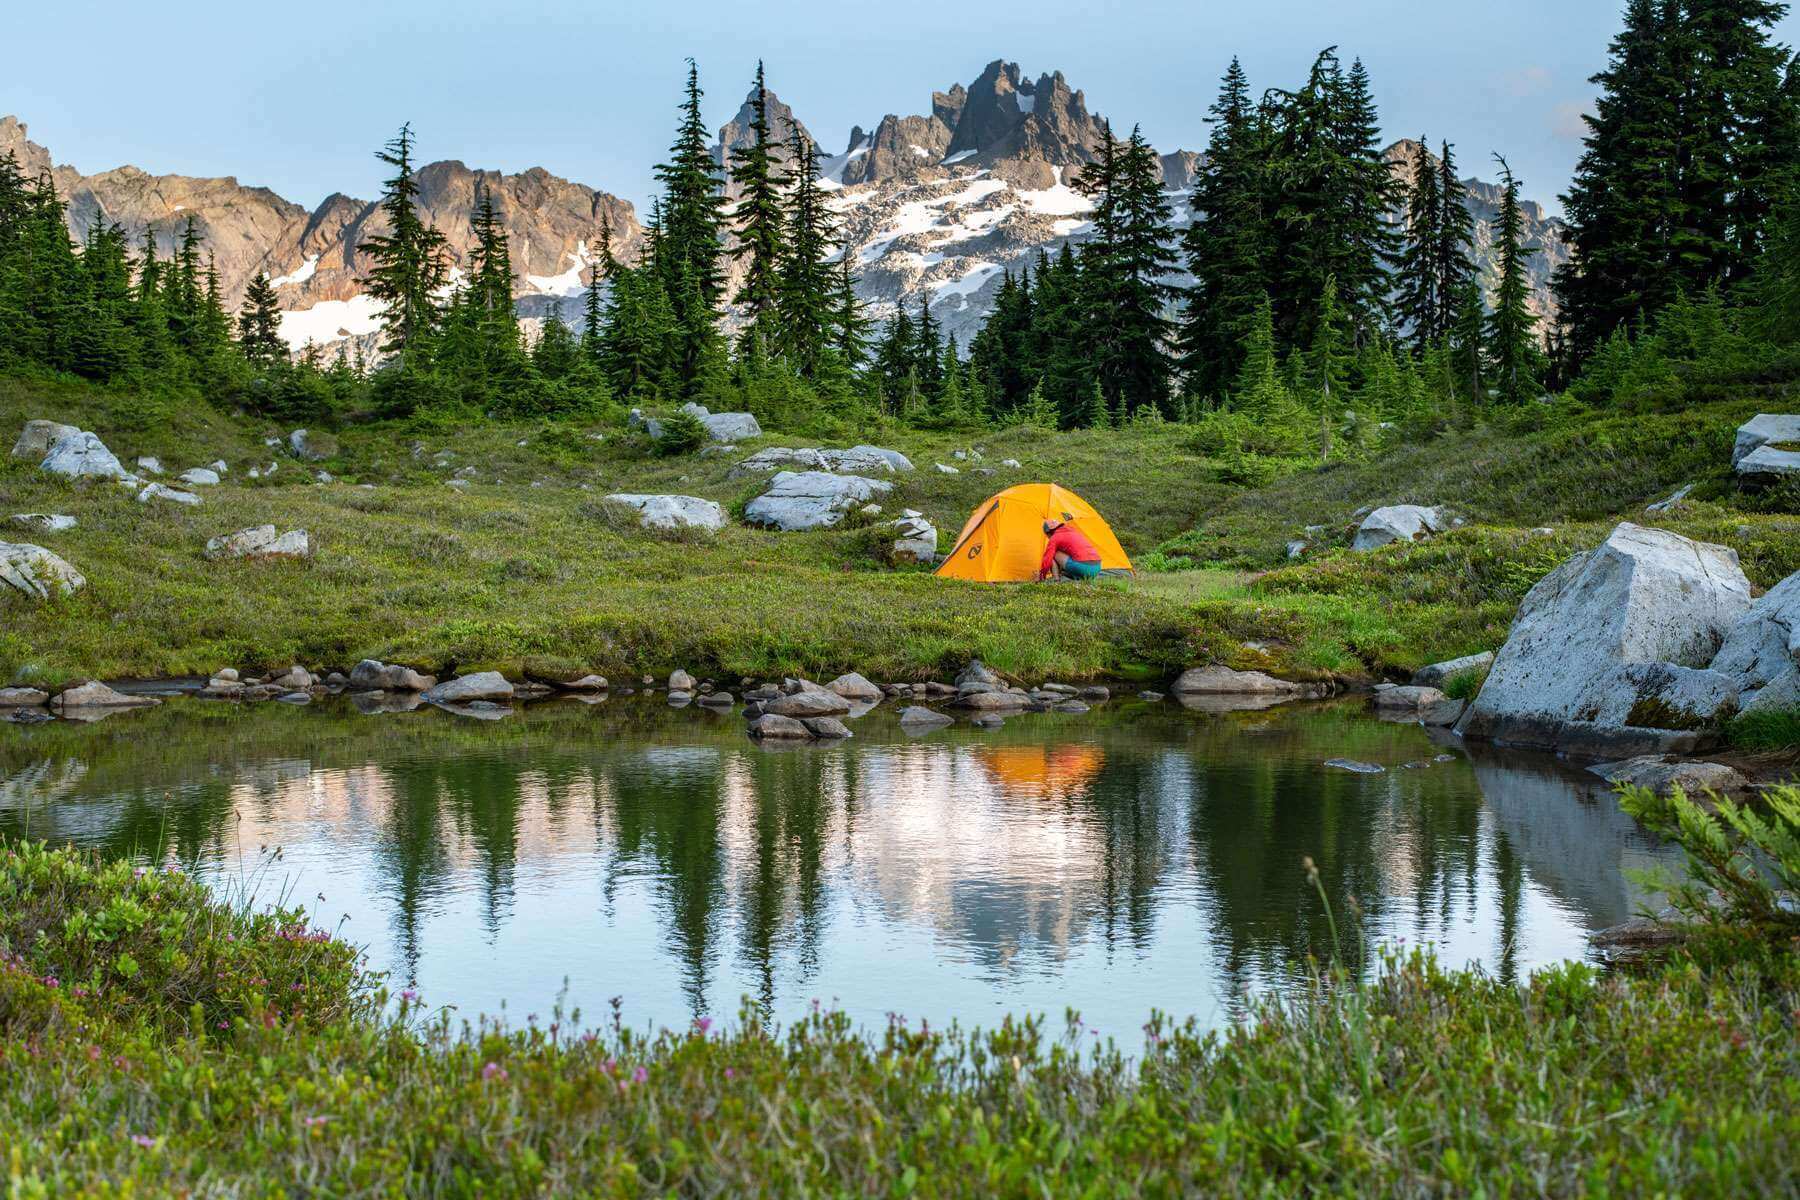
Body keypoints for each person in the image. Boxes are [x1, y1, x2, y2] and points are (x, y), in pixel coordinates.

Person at [1039, 518, 1103, 581]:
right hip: (1097, 568)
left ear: (1048, 532)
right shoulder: (1073, 531)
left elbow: (1048, 559)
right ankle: (1075, 576)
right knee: (1069, 553)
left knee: (1054, 554)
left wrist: (1042, 575)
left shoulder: (1055, 537)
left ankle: (1056, 579)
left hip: (1083, 568)